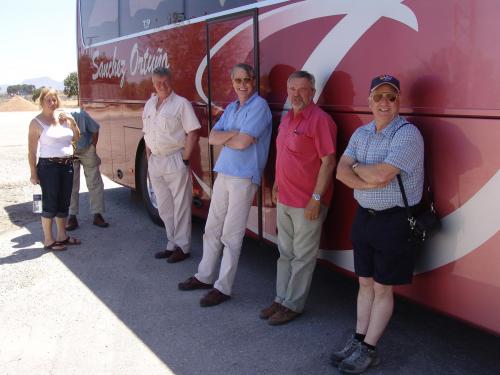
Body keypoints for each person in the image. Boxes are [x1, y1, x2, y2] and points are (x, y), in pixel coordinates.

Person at [333, 75, 424, 374]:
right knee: (364, 283)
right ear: (369, 101)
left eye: (391, 97)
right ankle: (359, 339)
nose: (384, 102)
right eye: (379, 96)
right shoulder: (361, 133)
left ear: (399, 101)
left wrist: (358, 169)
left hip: (394, 221)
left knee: (383, 289)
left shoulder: (408, 135)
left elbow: (383, 174)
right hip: (365, 217)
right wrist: (363, 175)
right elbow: (340, 173)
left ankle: (370, 350)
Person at [178, 63, 272, 307]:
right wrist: (237, 134)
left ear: (254, 81)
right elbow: (212, 137)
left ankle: (223, 287)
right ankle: (205, 276)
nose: (242, 85)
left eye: (247, 80)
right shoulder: (231, 107)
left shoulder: (259, 106)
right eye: (238, 81)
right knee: (212, 228)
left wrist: (231, 136)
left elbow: (243, 144)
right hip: (224, 173)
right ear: (232, 83)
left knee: (231, 234)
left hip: (243, 177)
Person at [260, 70, 337, 325]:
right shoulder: (287, 118)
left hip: (307, 203)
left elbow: (328, 162)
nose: (296, 94)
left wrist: (316, 198)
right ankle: (281, 298)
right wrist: (277, 185)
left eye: (303, 89)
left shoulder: (320, 120)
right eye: (292, 89)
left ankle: (293, 304)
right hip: (285, 198)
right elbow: (284, 155)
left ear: (312, 92)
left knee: (303, 257)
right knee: (285, 253)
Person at [142, 67, 200, 263]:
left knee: (181, 205)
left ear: (171, 81)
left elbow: (193, 132)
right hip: (155, 161)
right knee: (164, 206)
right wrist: (149, 157)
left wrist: (185, 158)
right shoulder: (149, 104)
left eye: (165, 82)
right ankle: (171, 243)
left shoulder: (181, 104)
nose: (162, 86)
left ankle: (183, 247)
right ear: (153, 84)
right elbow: (146, 133)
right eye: (158, 83)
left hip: (175, 158)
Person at [28, 87, 81, 251]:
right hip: (48, 167)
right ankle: (49, 240)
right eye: (48, 100)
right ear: (42, 102)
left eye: (54, 100)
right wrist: (33, 174)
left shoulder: (64, 118)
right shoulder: (36, 123)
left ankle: (62, 236)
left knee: (64, 202)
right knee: (50, 203)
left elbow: (77, 137)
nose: (52, 103)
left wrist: (72, 123)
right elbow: (31, 152)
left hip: (67, 165)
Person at [65, 110, 109, 230]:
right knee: (71, 184)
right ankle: (72, 216)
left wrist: (93, 147)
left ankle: (97, 215)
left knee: (94, 182)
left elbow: (95, 130)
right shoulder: (60, 120)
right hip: (69, 152)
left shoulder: (82, 116)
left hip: (86, 149)